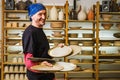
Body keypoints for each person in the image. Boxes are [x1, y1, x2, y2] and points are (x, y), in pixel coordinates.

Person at [22, 3, 56, 80]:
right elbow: (28, 62)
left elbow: (42, 51)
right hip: (38, 76)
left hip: (47, 73)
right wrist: (41, 64)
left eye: (44, 13)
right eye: (40, 14)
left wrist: (57, 49)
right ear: (32, 16)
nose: (43, 17)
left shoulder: (39, 30)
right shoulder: (30, 33)